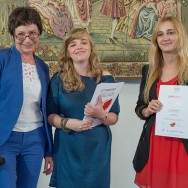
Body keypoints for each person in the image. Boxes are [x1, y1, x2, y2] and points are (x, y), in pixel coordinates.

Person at [47, 28, 120, 188]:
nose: (78, 46)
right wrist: (67, 123)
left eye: (83, 42)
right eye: (73, 44)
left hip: (97, 149)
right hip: (67, 147)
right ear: (68, 52)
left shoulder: (106, 78)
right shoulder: (58, 79)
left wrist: (101, 114)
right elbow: (50, 116)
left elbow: (114, 117)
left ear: (91, 47)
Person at [0, 7, 53, 188]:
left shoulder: (43, 67)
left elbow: (46, 110)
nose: (27, 39)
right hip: (5, 139)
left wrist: (49, 151)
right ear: (13, 35)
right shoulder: (2, 59)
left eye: (32, 33)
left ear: (39, 34)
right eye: (21, 34)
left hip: (35, 140)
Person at [133, 16, 188, 188]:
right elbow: (139, 107)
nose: (165, 38)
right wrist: (147, 110)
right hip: (154, 143)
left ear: (180, 36)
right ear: (156, 40)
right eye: (160, 34)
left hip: (182, 145)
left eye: (170, 33)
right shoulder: (148, 70)